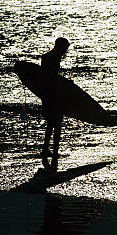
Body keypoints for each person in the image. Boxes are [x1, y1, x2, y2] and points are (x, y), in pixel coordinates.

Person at [39, 37, 70, 174]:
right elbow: (51, 78)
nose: (66, 51)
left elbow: (45, 77)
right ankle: (53, 151)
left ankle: (46, 149)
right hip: (52, 95)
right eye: (65, 48)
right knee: (56, 123)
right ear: (60, 47)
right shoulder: (53, 58)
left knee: (52, 123)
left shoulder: (47, 57)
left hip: (47, 94)